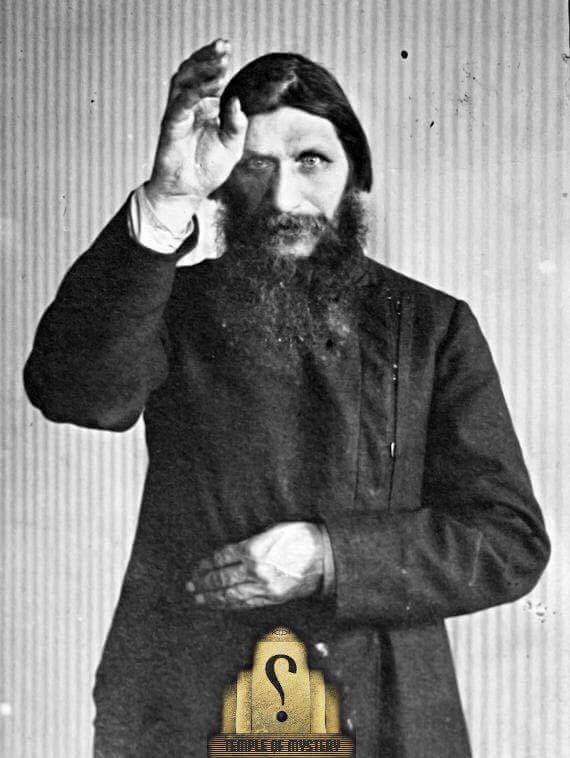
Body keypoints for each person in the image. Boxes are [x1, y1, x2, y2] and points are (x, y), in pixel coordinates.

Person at [24, 39, 550, 757]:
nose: (282, 199)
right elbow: (77, 395)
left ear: (355, 171)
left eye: (312, 161)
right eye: (255, 165)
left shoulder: (432, 326)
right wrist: (168, 197)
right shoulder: (166, 305)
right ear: (222, 180)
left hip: (383, 710)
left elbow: (509, 541)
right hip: (191, 701)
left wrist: (330, 555)